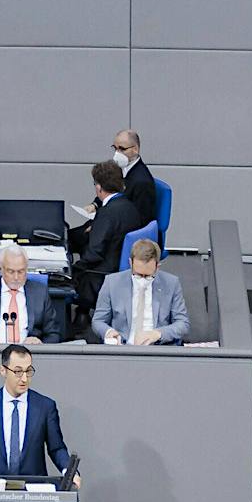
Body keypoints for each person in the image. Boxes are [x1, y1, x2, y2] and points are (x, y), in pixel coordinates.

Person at [0, 345, 78, 488]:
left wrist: (69, 472)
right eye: (18, 371)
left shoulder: (45, 406)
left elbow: (57, 448)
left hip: (33, 491)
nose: (24, 378)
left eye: (28, 371)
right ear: (3, 371)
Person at [69, 161, 143, 327]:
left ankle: (76, 323)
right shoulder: (130, 208)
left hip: (101, 274)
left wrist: (71, 269)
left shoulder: (107, 214)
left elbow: (94, 253)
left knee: (63, 278)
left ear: (98, 187)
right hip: (118, 267)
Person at [92, 239, 189, 346]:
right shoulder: (112, 282)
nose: (142, 281)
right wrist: (109, 332)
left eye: (147, 276)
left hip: (159, 348)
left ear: (157, 267)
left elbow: (182, 324)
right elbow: (98, 321)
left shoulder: (171, 283)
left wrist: (158, 334)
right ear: (130, 263)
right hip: (123, 348)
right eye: (138, 275)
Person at [111, 128, 158, 231]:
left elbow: (141, 220)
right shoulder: (119, 169)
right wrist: (95, 205)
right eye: (115, 148)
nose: (117, 154)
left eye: (122, 149)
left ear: (135, 149)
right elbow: (109, 190)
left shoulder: (142, 182)